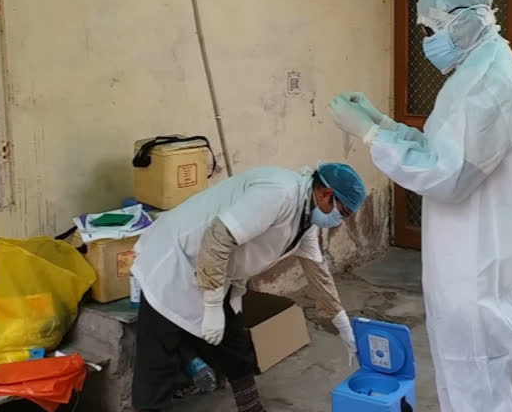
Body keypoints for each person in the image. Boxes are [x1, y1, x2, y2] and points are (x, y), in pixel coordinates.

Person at [329, 0, 512, 412]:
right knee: (468, 379)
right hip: (466, 262)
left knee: (483, 386)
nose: (427, 39)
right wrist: (383, 121)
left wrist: (373, 136)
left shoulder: (493, 84)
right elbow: (444, 148)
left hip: (484, 270)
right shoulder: (476, 73)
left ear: (465, 18)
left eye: (432, 27)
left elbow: (447, 175)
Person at [130, 163, 366, 412]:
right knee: (157, 359)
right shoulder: (279, 193)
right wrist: (211, 306)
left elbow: (318, 271)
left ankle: (251, 407)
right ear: (325, 193)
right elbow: (217, 237)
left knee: (234, 343)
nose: (340, 220)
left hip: (219, 272)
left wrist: (342, 326)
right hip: (177, 262)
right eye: (344, 212)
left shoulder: (307, 216)